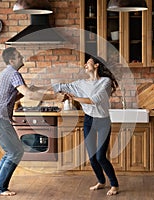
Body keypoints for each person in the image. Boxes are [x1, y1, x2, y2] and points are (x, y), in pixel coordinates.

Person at [0, 47, 64, 196]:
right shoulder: (14, 73)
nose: (22, 58)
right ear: (11, 60)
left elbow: (15, 95)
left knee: (13, 152)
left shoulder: (6, 73)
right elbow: (29, 94)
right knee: (15, 152)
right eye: (19, 56)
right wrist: (54, 97)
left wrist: (40, 89)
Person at [52, 55, 119, 196]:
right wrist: (38, 88)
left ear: (96, 66)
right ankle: (101, 181)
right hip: (89, 121)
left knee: (101, 157)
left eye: (88, 63)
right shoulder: (81, 83)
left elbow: (94, 100)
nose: (85, 65)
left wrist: (73, 97)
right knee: (92, 157)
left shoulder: (105, 82)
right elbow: (62, 87)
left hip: (103, 121)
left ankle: (114, 184)